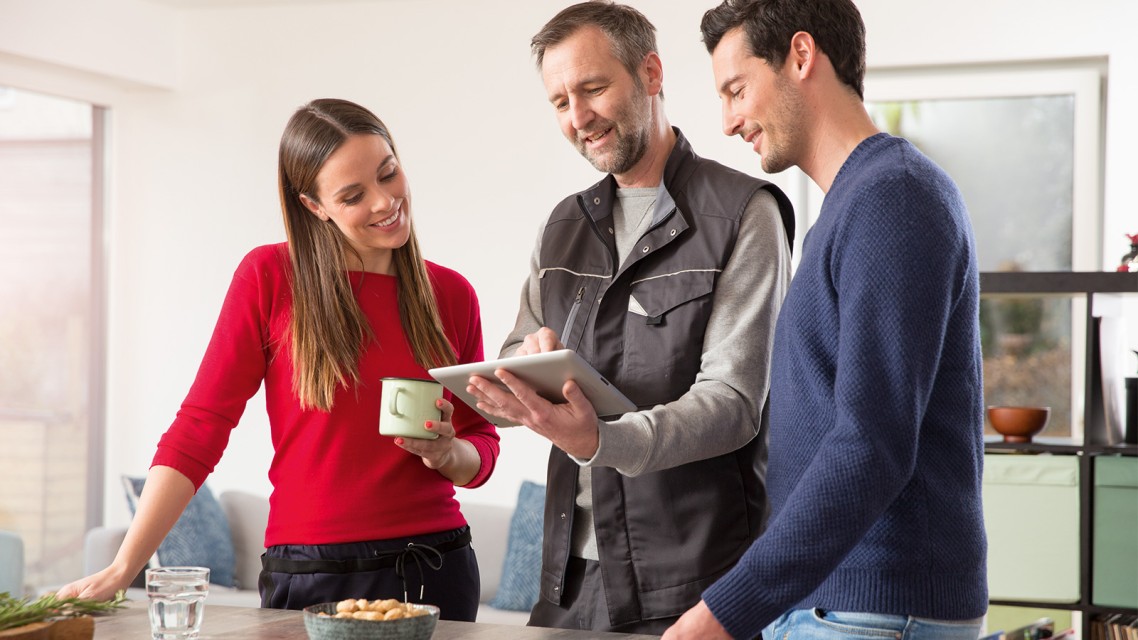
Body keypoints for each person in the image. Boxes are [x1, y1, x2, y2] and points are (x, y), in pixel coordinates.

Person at [56, 99, 500, 620]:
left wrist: (448, 454)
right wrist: (121, 567)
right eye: (354, 195)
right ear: (314, 205)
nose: (385, 202)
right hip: (310, 574)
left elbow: (481, 445)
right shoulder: (269, 277)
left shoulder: (451, 294)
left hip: (435, 567)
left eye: (389, 173)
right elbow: (201, 426)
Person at [465, 1, 795, 634]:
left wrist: (601, 440)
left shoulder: (743, 213)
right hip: (568, 583)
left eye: (592, 89)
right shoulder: (562, 226)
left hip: (695, 585)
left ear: (650, 73)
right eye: (560, 102)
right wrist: (519, 373)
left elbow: (732, 403)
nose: (579, 117)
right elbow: (517, 346)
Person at [663, 1, 989, 638]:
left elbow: (871, 446)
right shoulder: (857, 204)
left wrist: (726, 610)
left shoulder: (893, 198)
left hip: (872, 612)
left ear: (801, 56)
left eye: (737, 89)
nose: (728, 121)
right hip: (845, 607)